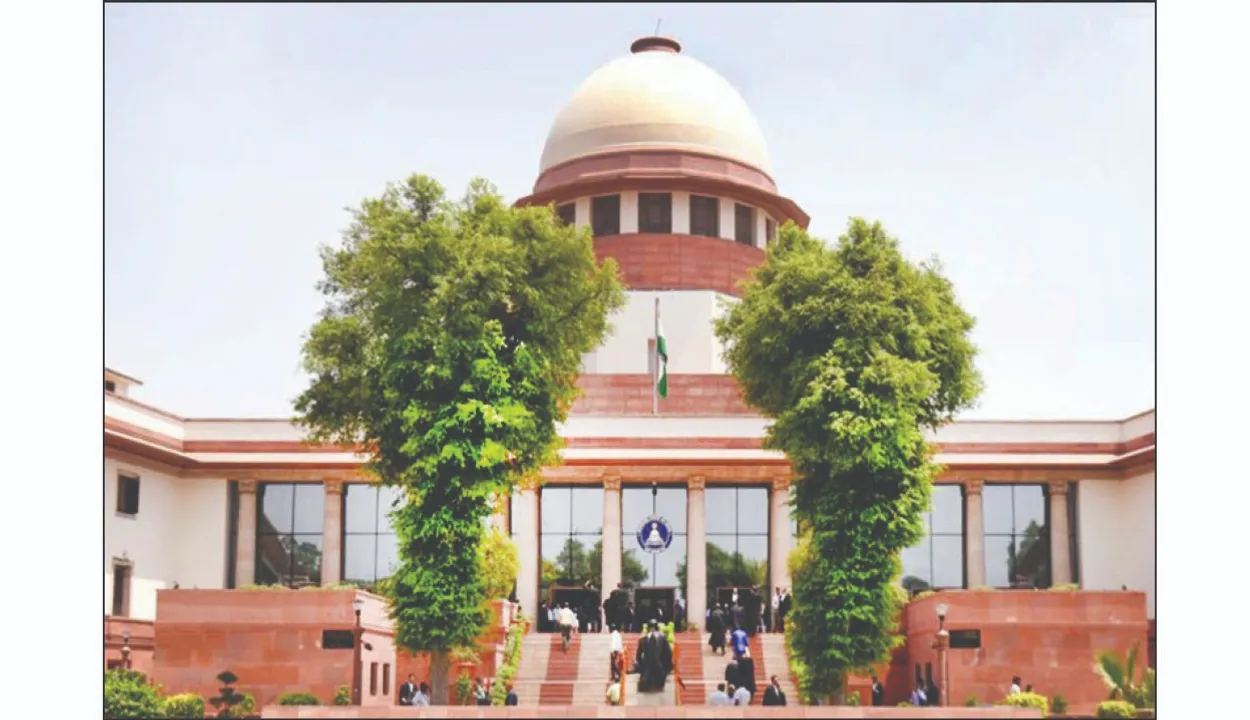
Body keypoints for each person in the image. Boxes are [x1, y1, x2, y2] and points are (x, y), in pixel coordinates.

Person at [633, 620, 672, 693]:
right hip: (647, 669)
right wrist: (640, 667)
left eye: (654, 628)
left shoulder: (662, 640)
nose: (652, 630)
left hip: (659, 669)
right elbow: (638, 655)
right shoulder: (643, 640)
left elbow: (667, 654)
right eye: (651, 628)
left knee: (657, 687)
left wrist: (667, 668)